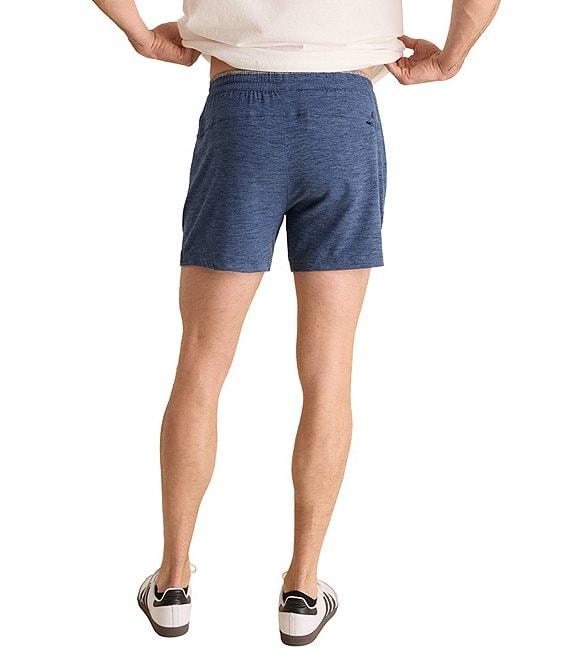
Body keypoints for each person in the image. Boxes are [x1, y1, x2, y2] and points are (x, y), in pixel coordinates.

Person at [93, 0, 500, 645]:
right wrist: (452, 57)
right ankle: (302, 589)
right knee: (329, 370)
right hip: (345, 114)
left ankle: (172, 582)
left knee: (201, 362)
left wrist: (141, 35)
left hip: (241, 114)